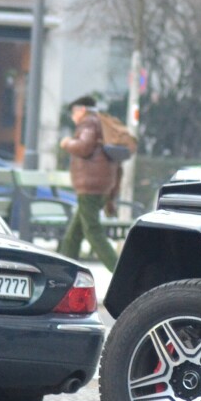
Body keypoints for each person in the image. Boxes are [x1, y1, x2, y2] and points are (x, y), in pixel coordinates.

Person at [58, 95, 120, 271]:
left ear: (82, 110)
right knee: (74, 234)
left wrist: (67, 142)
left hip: (90, 187)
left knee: (93, 232)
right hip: (102, 185)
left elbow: (84, 147)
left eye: (73, 112)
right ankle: (63, 269)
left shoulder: (89, 123)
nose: (72, 117)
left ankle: (119, 271)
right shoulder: (101, 122)